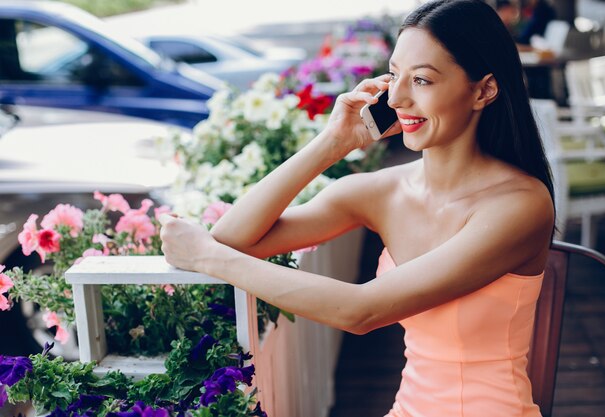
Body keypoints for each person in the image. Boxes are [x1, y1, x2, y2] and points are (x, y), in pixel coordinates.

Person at [160, 1, 556, 416]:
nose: (398, 98)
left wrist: (206, 256)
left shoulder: (520, 205)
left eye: (422, 80)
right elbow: (234, 238)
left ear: (483, 90)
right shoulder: (383, 191)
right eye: (394, 75)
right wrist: (332, 143)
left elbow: (361, 311)